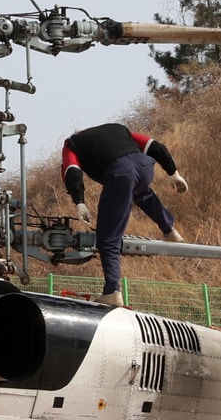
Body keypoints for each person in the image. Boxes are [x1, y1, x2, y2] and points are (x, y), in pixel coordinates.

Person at [60, 122, 189, 307]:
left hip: (120, 173)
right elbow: (155, 146)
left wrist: (79, 202)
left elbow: (71, 171)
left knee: (107, 238)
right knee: (142, 193)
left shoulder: (72, 143)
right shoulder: (118, 129)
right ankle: (169, 230)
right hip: (144, 166)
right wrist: (173, 172)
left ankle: (112, 291)